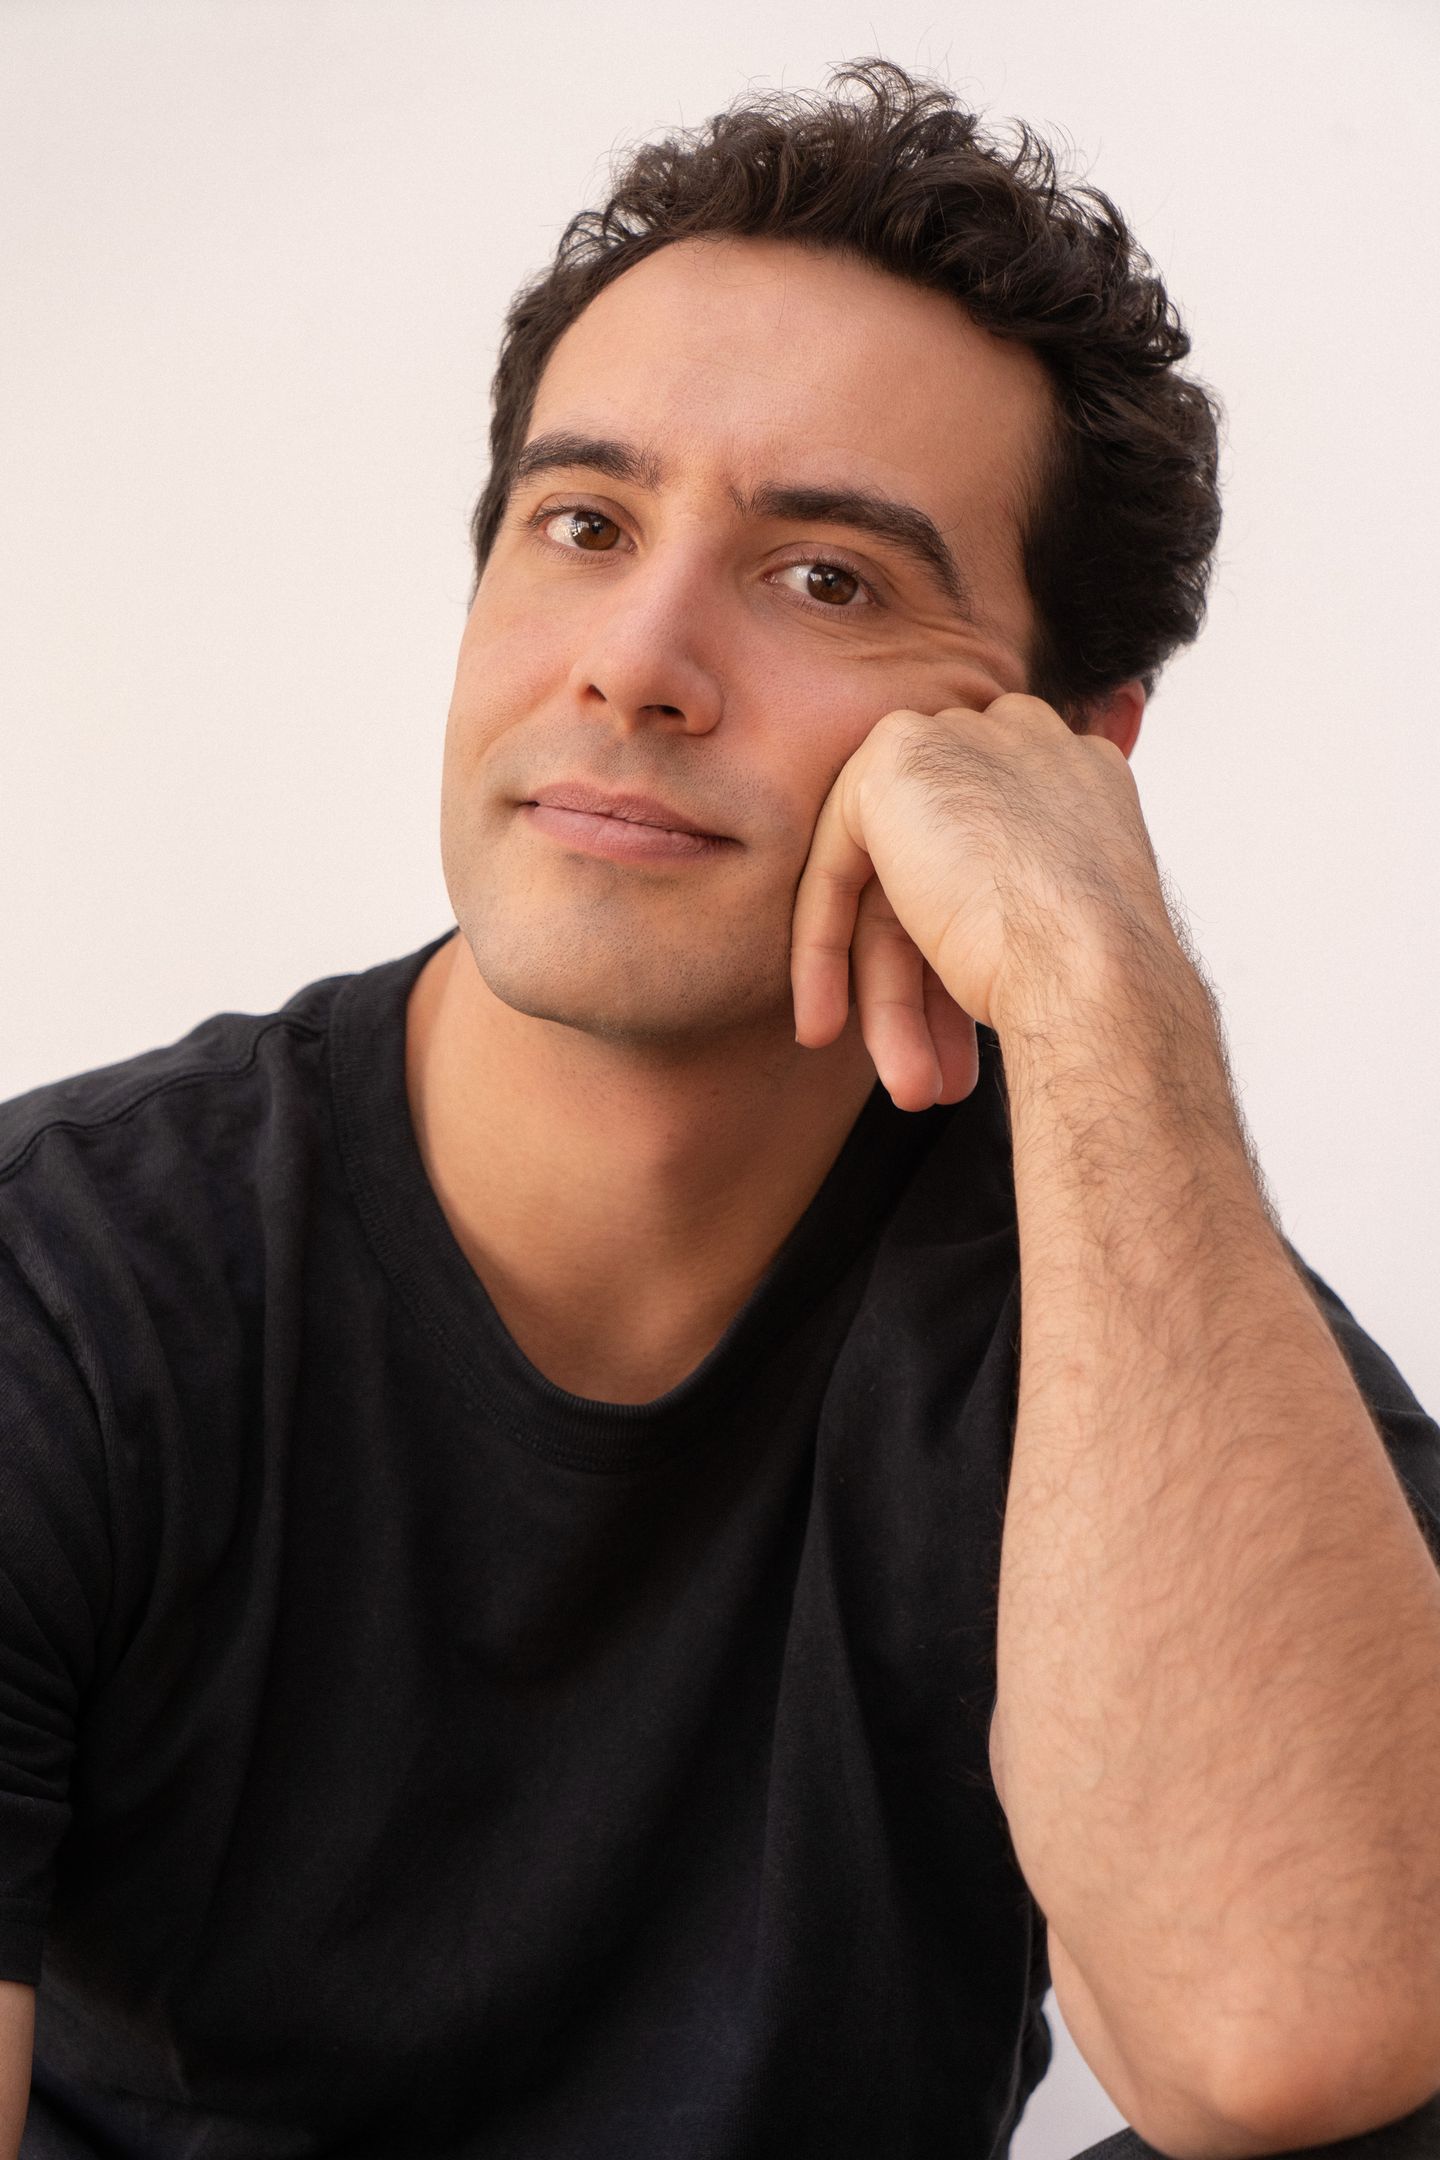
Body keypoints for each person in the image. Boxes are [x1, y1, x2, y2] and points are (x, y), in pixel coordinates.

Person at [2, 56, 1438, 2160]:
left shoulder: (1130, 1323)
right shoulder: (63, 1286)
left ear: (1065, 750)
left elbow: (1298, 2035)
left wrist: (1099, 974)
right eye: (582, 525)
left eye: (827, 577)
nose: (637, 661)